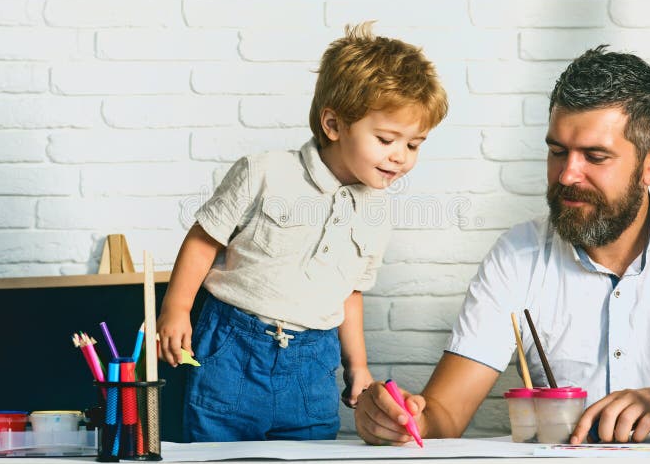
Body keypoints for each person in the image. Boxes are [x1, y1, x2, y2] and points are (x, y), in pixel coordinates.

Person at [354, 46, 650, 445]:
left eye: (595, 156)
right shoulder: (517, 255)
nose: (568, 174)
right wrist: (398, 420)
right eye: (557, 152)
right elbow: (446, 413)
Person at [156, 22, 448, 442]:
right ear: (333, 123)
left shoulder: (378, 211)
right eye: (386, 139)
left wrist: (358, 366)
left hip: (313, 365)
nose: (400, 157)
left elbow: (350, 292)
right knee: (215, 452)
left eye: (414, 145)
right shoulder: (264, 172)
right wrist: (177, 309)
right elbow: (205, 238)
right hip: (233, 351)